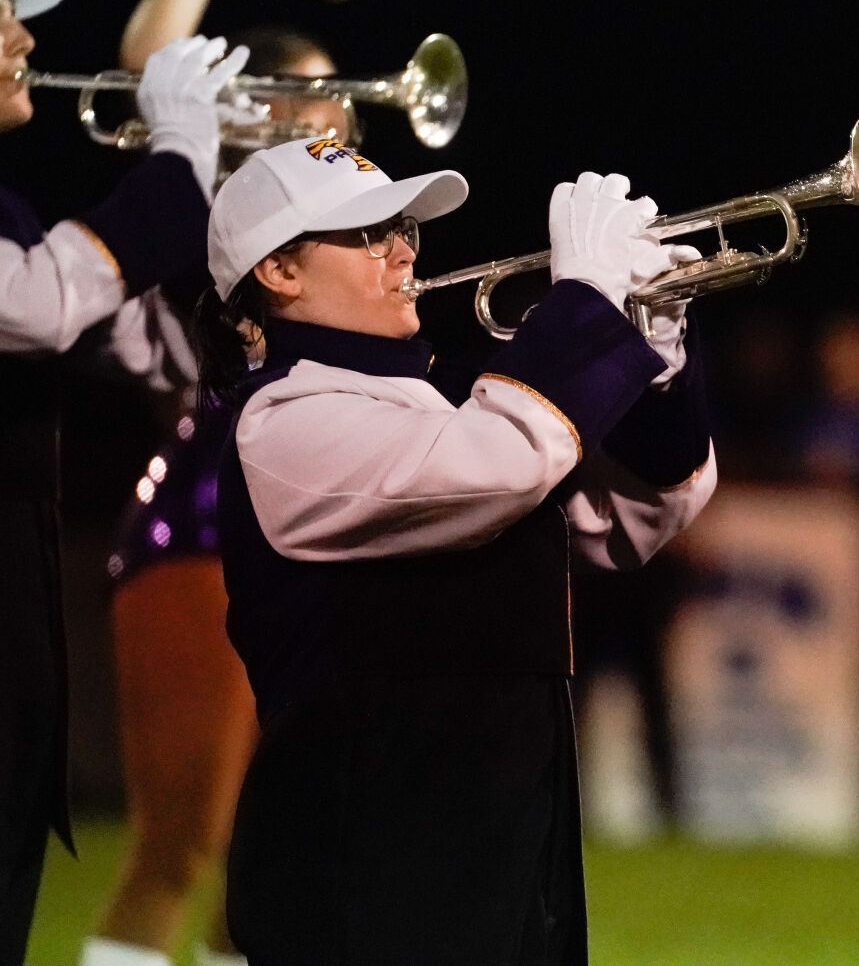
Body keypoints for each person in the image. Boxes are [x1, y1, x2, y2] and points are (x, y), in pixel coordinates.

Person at [194, 138, 716, 962]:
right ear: (279, 273)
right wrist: (581, 301)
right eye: (368, 234)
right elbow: (503, 459)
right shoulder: (281, 419)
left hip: (505, 845)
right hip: (366, 871)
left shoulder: (450, 398)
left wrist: (653, 351)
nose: (403, 249)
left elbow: (641, 516)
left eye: (403, 227)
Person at [84, 0, 340, 966]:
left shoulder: (343, 221)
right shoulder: (209, 192)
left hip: (311, 526)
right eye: (312, 98)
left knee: (279, 868)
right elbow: (155, 61)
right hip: (196, 524)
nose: (338, 120)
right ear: (247, 108)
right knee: (182, 843)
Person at [0, 0, 243, 966]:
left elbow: (149, 348)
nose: (26, 42)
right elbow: (43, 302)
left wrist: (246, 206)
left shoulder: (2, 211)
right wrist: (175, 156)